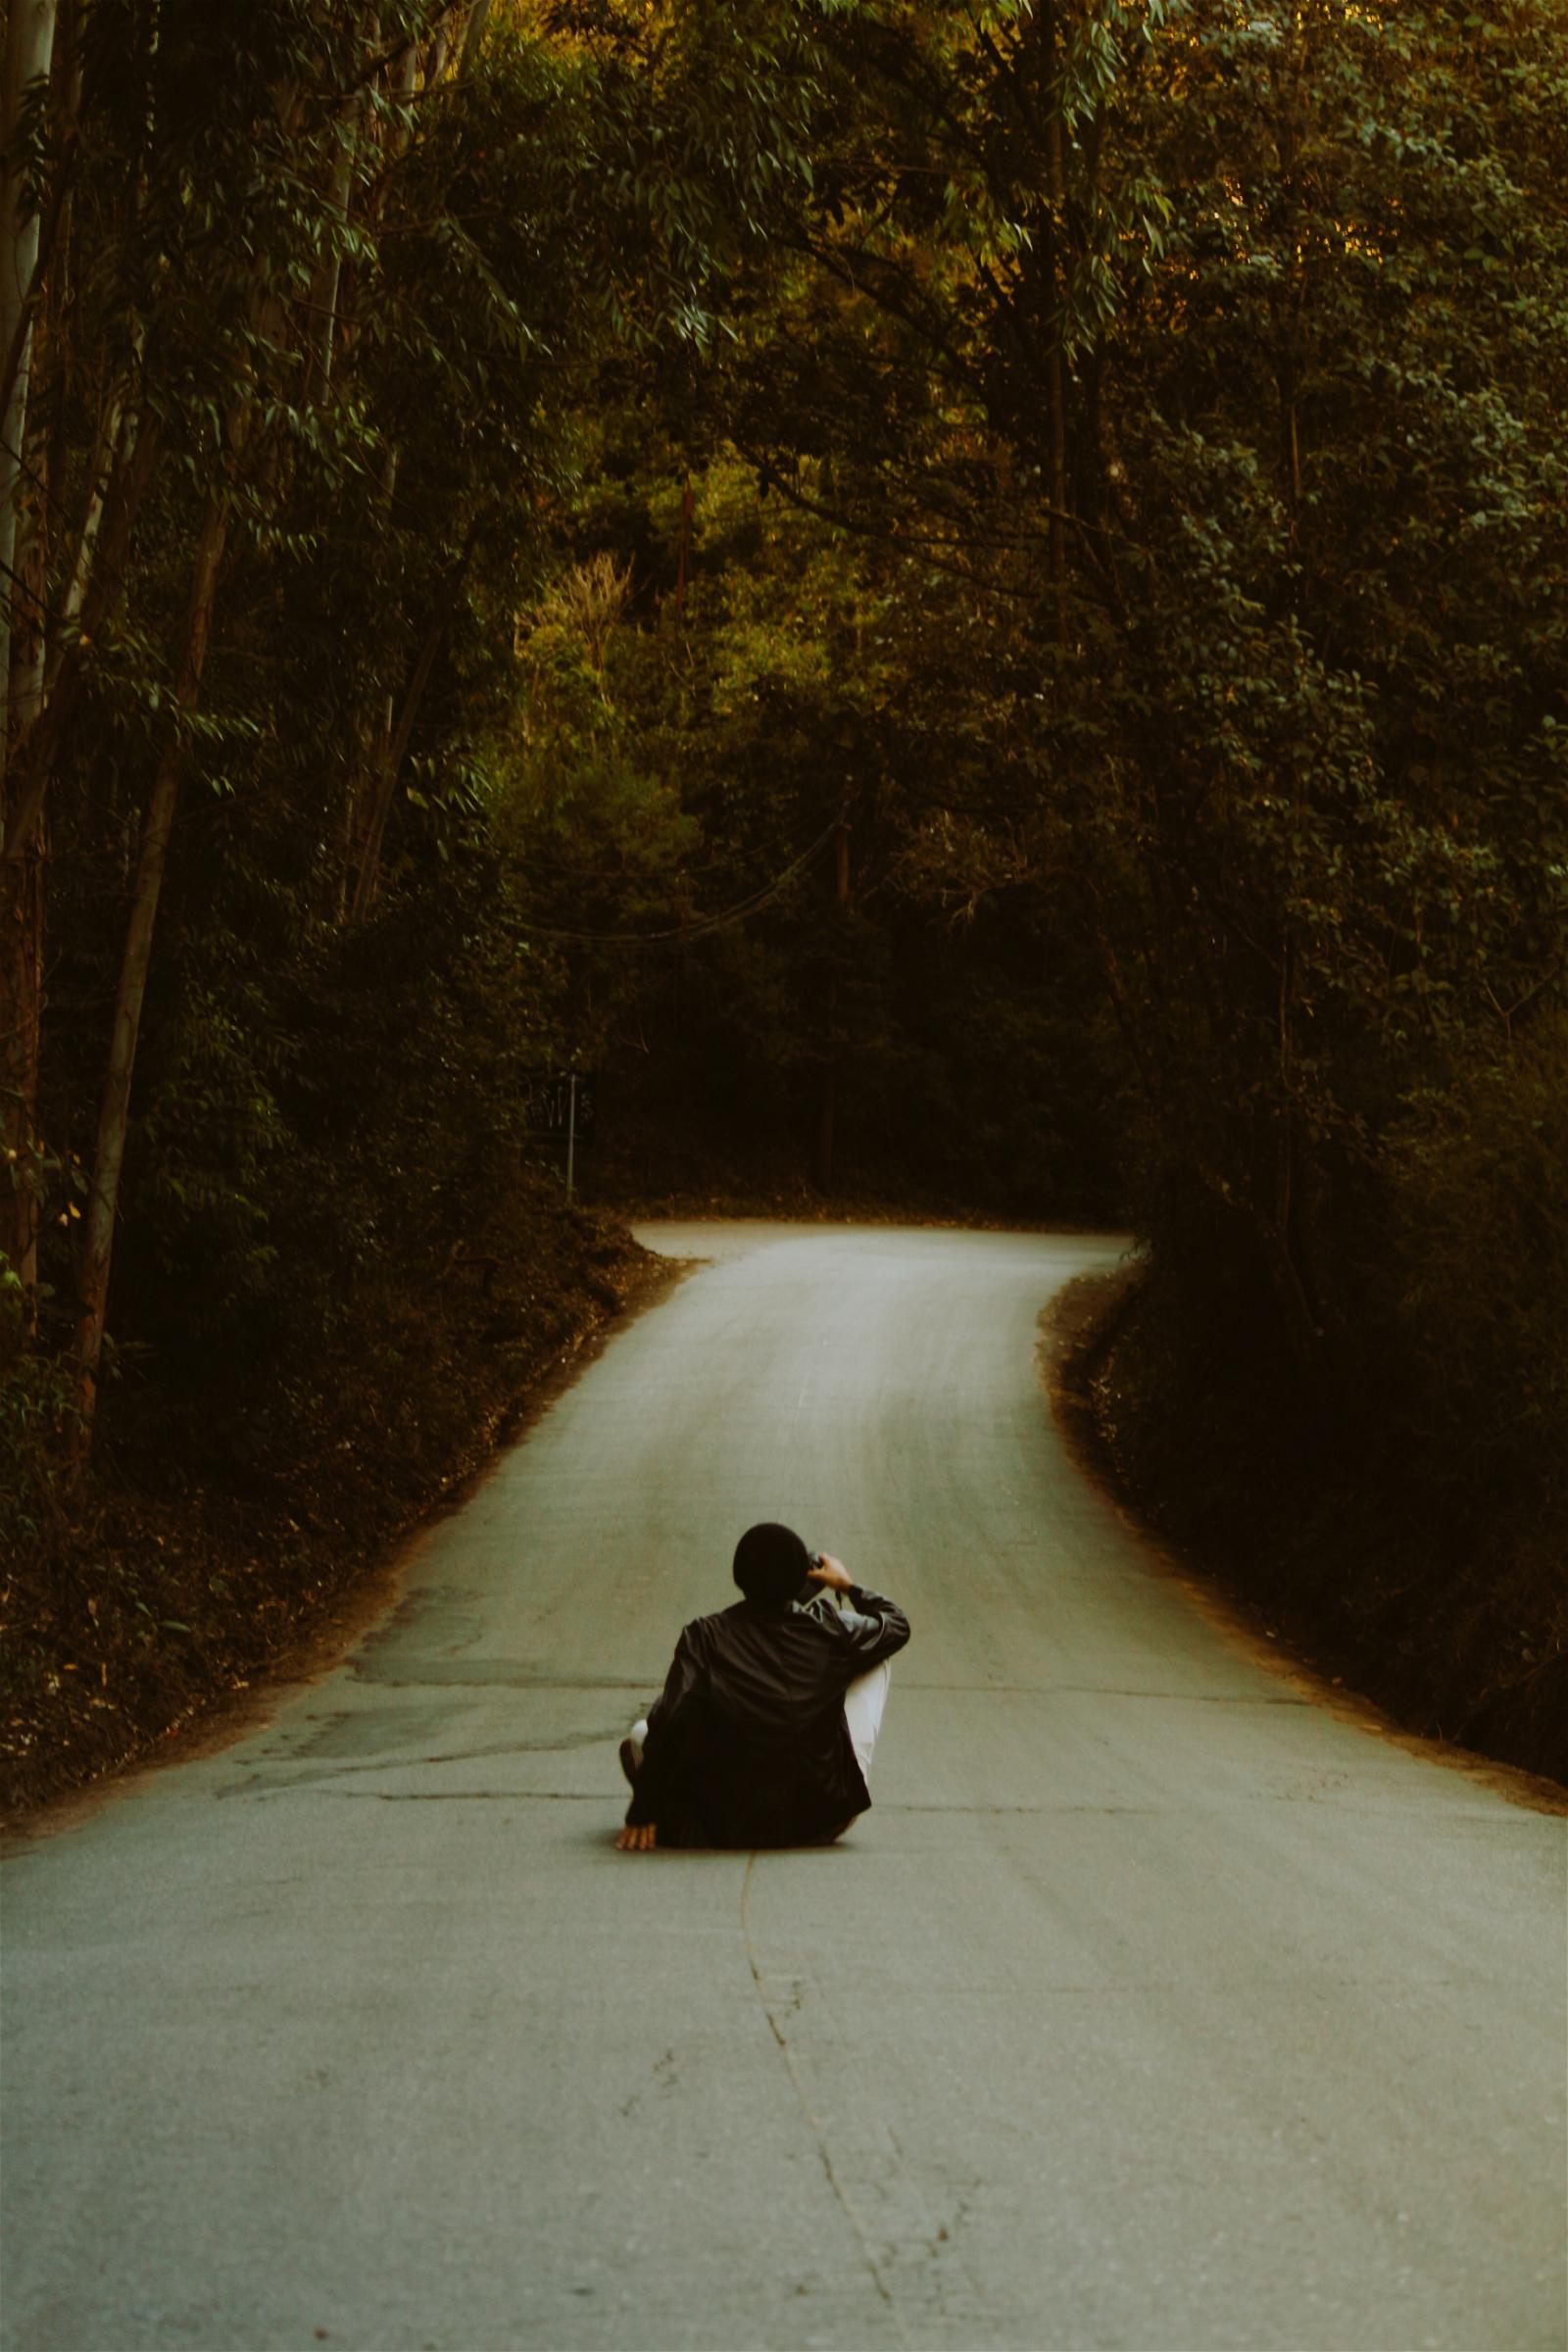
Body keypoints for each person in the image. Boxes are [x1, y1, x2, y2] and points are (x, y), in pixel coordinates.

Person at [614, 1522, 910, 1852]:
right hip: (821, 1819)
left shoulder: (705, 1635)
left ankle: (670, 1792)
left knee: (644, 1731)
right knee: (875, 1655)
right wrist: (849, 1586)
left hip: (717, 1825)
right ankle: (845, 1776)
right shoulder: (831, 1629)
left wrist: (644, 1805)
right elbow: (896, 1625)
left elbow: (671, 1718)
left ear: (739, 1576)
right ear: (802, 1579)